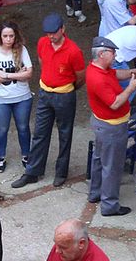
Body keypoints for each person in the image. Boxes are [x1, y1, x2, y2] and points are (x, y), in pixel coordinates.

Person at [14, 13, 87, 189]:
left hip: (64, 95)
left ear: (63, 29)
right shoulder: (42, 43)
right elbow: (42, 63)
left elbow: (80, 77)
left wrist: (67, 88)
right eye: (48, 33)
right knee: (40, 133)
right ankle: (32, 172)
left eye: (54, 33)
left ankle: (61, 172)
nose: (51, 37)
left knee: (64, 133)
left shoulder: (73, 50)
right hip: (45, 92)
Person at [86, 37, 136, 217]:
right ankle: (109, 205)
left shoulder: (98, 69)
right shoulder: (98, 79)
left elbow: (115, 74)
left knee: (99, 160)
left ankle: (95, 193)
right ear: (102, 54)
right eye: (113, 53)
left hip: (101, 124)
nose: (115, 56)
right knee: (112, 166)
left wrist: (132, 72)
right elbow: (115, 103)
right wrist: (132, 86)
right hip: (111, 128)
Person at [0, 21, 33, 174]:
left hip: (22, 96)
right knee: (2, 129)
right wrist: (20, 75)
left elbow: (29, 73)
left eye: (11, 36)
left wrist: (6, 75)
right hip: (1, 98)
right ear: (0, 36)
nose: (8, 39)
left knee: (23, 127)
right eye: (5, 36)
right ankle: (1, 158)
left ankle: (26, 156)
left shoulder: (21, 49)